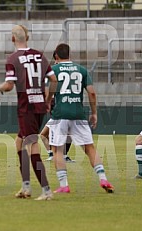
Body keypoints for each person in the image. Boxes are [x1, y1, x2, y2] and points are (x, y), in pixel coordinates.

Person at [0, 25, 57, 200]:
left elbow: (8, 85)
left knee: (32, 145)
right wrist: (49, 98)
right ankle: (26, 187)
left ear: (12, 38)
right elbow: (53, 80)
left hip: (26, 107)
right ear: (27, 38)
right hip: (39, 106)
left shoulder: (13, 58)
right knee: (19, 142)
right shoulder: (40, 55)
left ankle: (46, 190)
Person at [48, 43, 114, 194]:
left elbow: (50, 89)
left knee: (57, 149)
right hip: (78, 114)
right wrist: (94, 113)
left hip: (60, 115)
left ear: (56, 56)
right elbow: (92, 93)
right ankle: (103, 178)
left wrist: (47, 102)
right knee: (89, 147)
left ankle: (64, 185)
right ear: (70, 55)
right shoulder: (82, 70)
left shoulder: (53, 70)